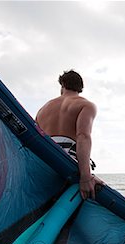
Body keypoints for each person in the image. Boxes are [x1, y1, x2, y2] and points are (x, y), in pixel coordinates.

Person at [36, 70, 105, 199]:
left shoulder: (43, 109)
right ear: (80, 88)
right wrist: (85, 177)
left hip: (43, 162)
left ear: (62, 85)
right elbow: (83, 136)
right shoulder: (86, 105)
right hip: (67, 162)